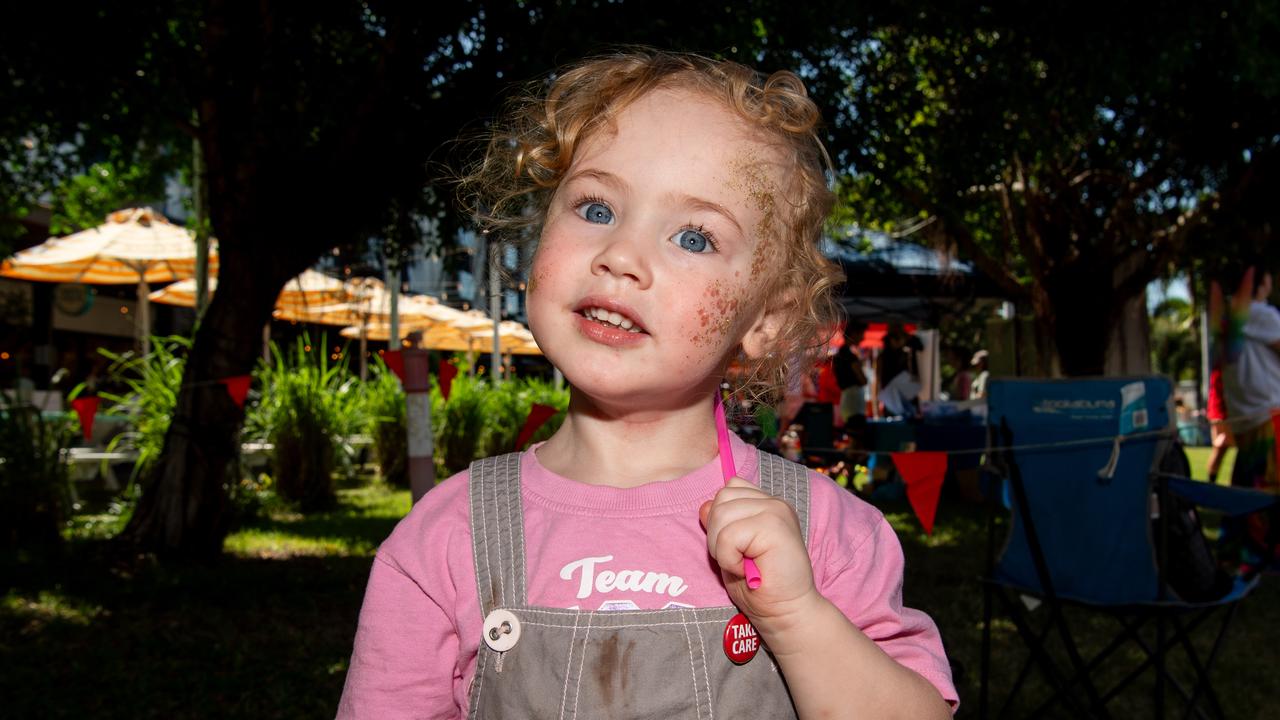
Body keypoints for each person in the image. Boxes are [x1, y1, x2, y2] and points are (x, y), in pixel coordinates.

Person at [336, 49, 956, 719]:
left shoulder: (831, 536)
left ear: (766, 318)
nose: (622, 256)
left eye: (694, 237)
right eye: (597, 209)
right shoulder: (443, 541)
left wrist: (797, 616)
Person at [1214, 260, 1280, 576]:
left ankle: (1238, 552)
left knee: (1246, 486)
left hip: (1246, 419)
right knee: (1267, 488)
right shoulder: (1263, 315)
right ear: (1262, 282)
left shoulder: (1227, 320)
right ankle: (1262, 555)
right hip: (1269, 415)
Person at [1204, 367, 1233, 483]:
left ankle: (1211, 486)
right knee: (1220, 448)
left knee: (1221, 450)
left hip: (1221, 412)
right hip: (1223, 413)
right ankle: (1211, 486)